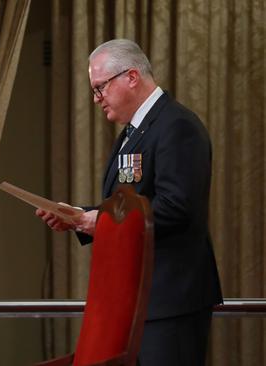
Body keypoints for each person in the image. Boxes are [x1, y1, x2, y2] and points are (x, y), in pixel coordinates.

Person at [36, 39, 222, 366]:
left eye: (100, 88)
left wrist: (101, 222)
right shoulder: (132, 133)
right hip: (135, 301)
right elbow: (128, 204)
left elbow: (176, 207)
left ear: (131, 77)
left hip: (169, 300)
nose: (96, 99)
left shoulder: (177, 126)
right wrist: (82, 216)